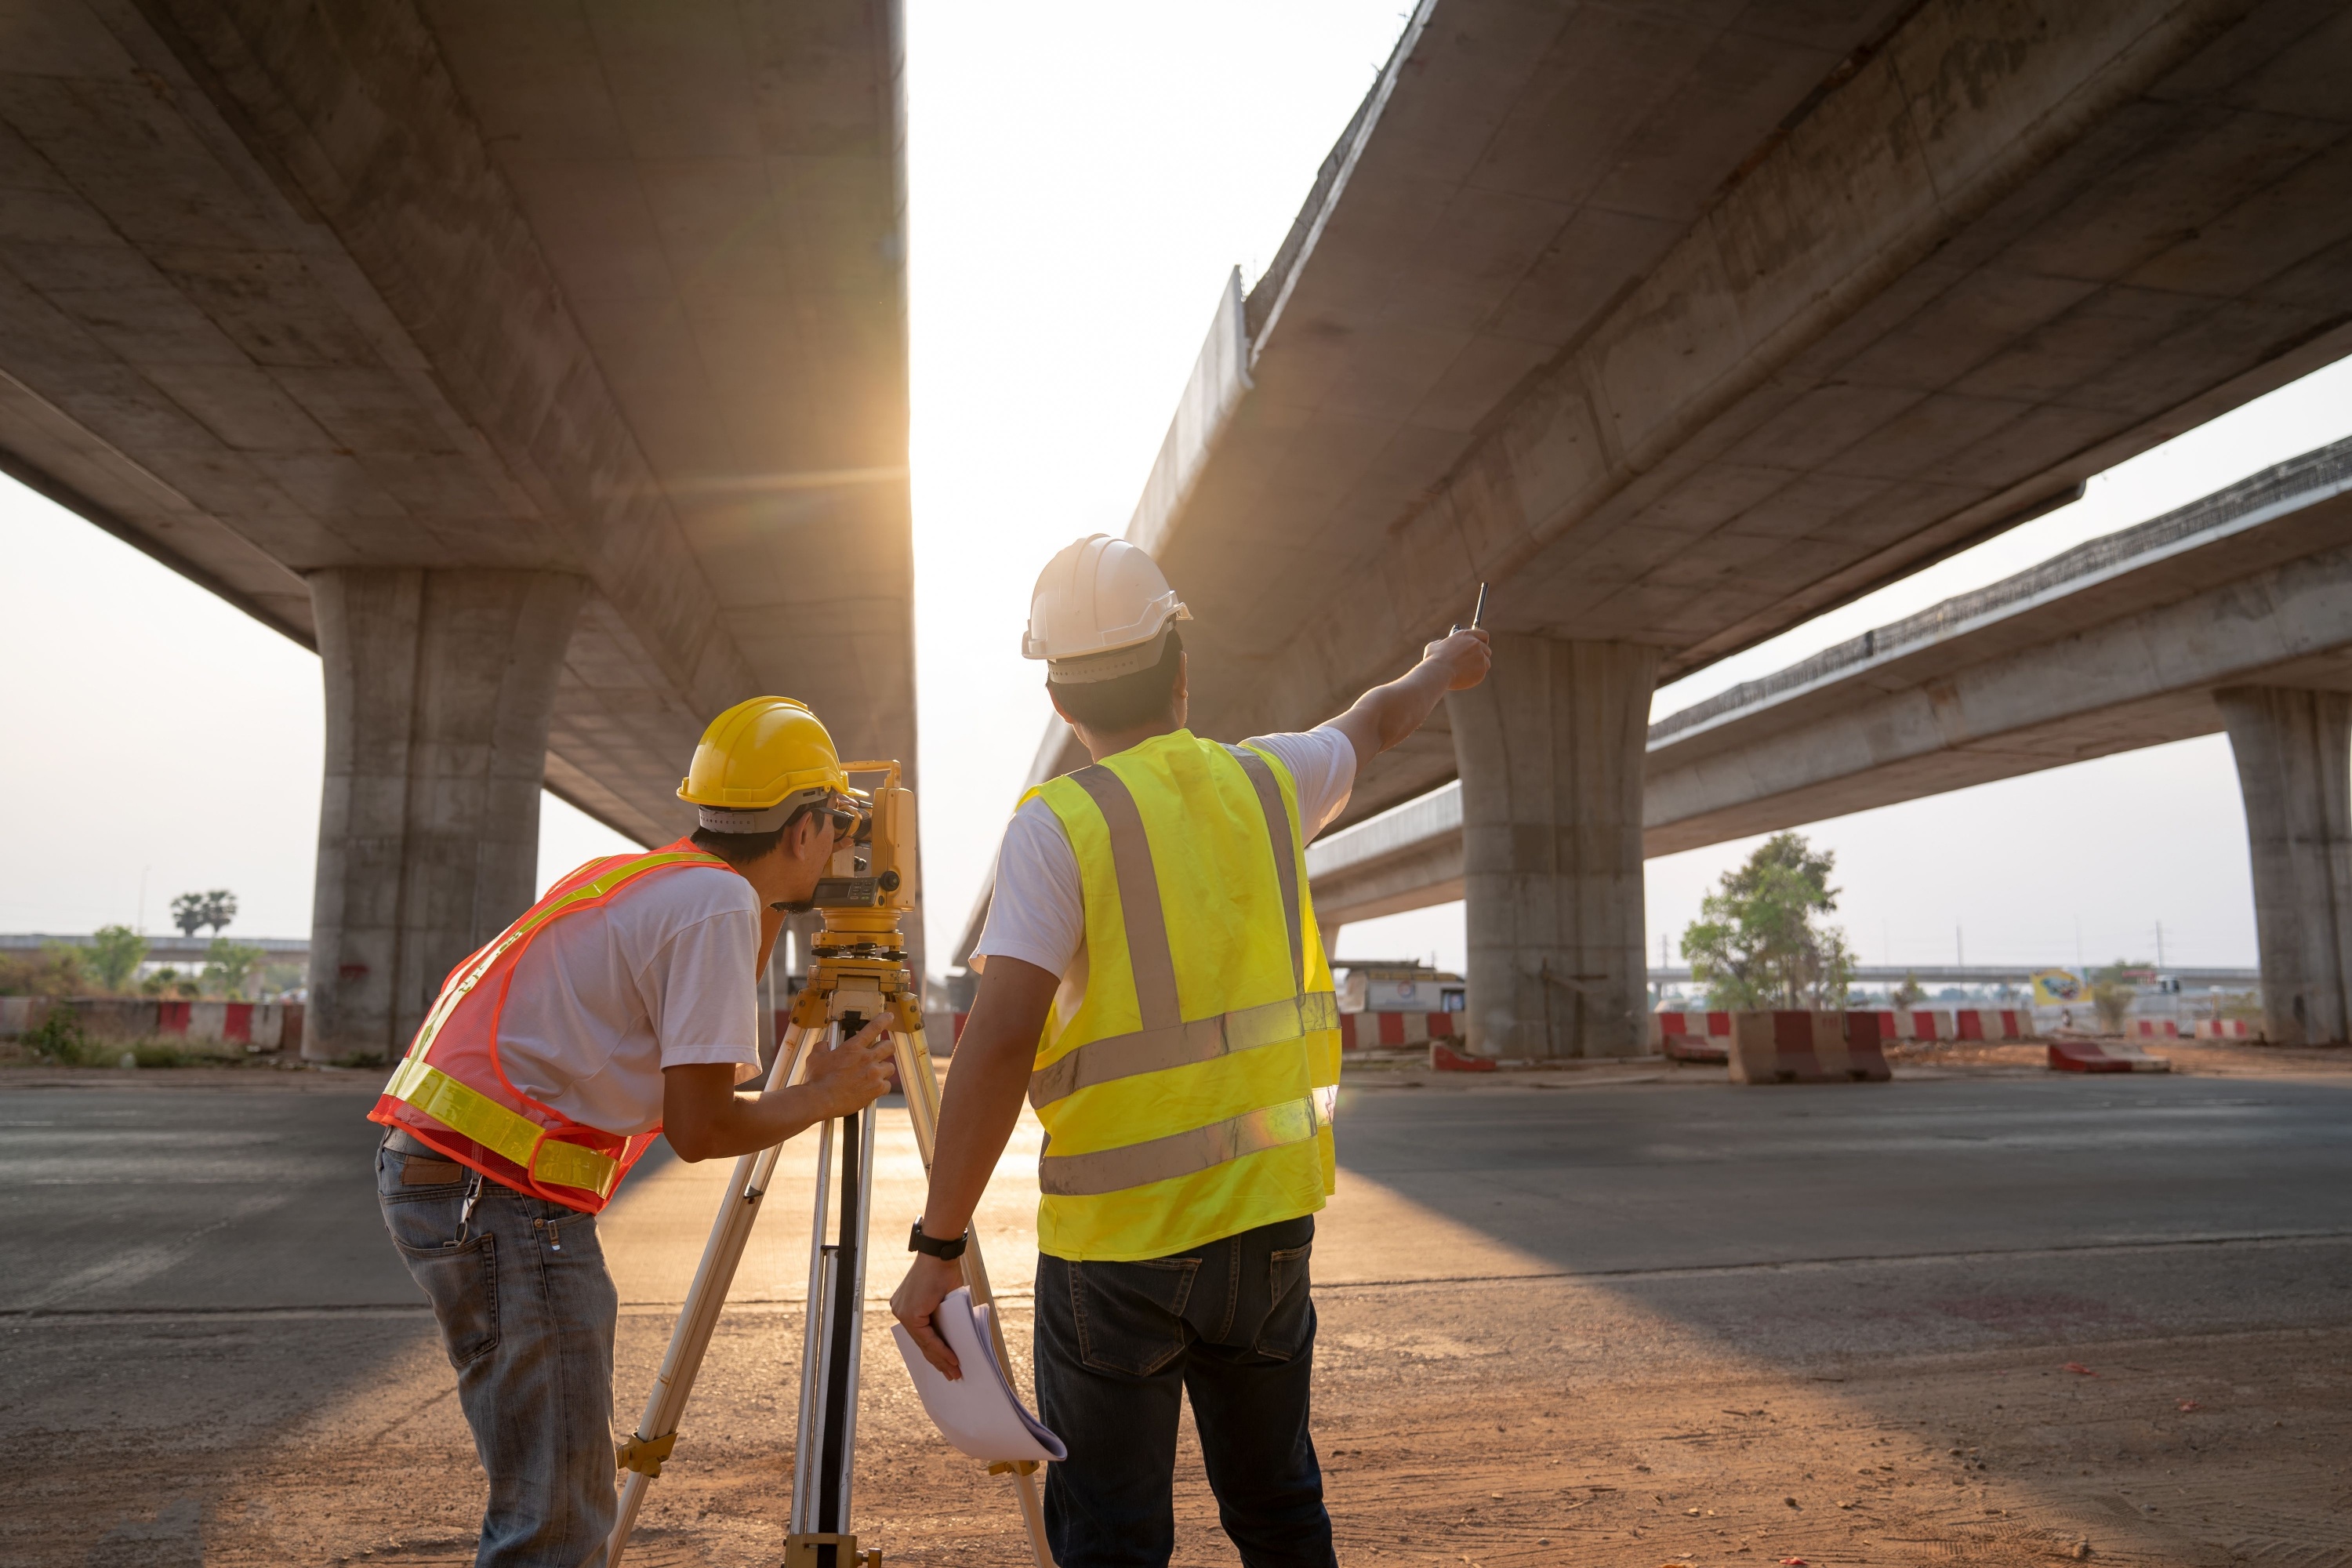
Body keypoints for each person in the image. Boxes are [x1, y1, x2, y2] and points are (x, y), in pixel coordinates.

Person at [891, 536, 1491, 1567]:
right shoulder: (1269, 784)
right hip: (1267, 1224)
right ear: (1181, 666)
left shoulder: (1056, 826)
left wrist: (938, 1245)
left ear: (1057, 696)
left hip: (1116, 1254)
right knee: (1278, 1510)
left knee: (1115, 1537)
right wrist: (1444, 664)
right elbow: (1376, 720)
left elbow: (996, 1047)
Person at [370, 695, 896, 1568]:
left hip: (446, 1178)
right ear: (804, 826)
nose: (844, 842)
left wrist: (781, 899)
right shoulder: (718, 905)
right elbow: (702, 1124)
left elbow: (709, 1055)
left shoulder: (651, 880)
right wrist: (824, 1092)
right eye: (838, 822)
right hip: (500, 1201)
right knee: (555, 1521)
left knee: (547, 1498)